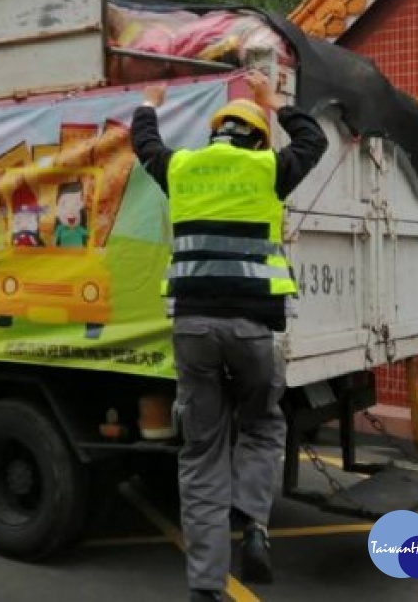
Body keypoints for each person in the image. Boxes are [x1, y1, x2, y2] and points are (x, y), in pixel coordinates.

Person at [131, 69, 328, 602]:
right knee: (263, 427)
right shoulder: (270, 168)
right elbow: (315, 140)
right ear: (258, 137)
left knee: (201, 452)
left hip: (193, 328)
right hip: (253, 329)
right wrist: (275, 102)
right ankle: (257, 527)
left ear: (214, 133)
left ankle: (205, 587)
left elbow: (144, 143)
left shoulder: (183, 167)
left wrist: (151, 102)